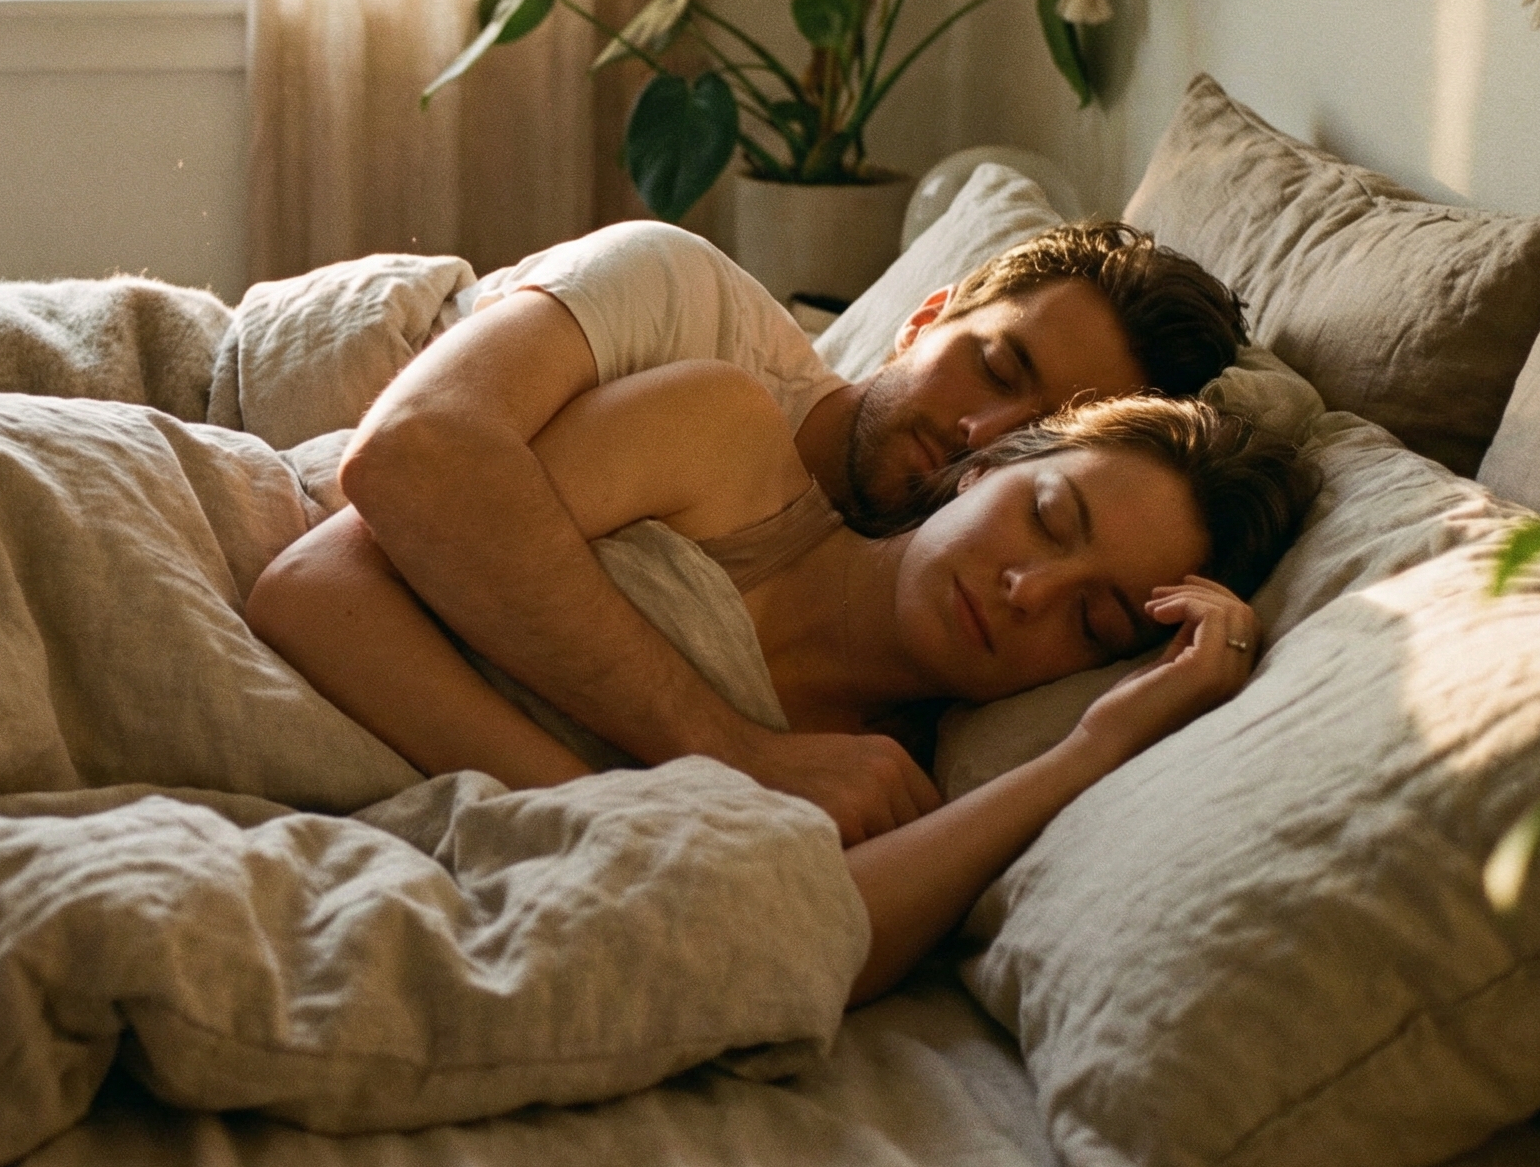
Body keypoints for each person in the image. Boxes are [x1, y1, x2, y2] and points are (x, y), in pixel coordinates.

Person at [248, 376, 1315, 1003]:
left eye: (1094, 623)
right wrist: (609, 806)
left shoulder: (892, 786)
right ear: (987, 465)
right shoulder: (722, 445)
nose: (1029, 591)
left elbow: (821, 942)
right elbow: (311, 585)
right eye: (1046, 517)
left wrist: (1096, 747)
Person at [341, 218, 1249, 845]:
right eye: (997, 367)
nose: (983, 433)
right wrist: (719, 757)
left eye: (1038, 432)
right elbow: (407, 458)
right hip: (342, 402)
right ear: (924, 320)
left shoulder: (932, 650)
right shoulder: (691, 309)